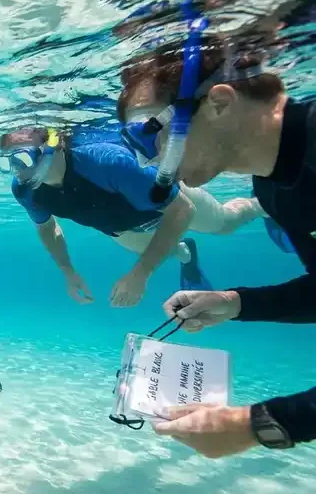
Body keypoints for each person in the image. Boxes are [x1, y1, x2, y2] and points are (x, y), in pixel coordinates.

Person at [116, 33, 315, 457]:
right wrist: (236, 303)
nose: (148, 161)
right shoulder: (275, 186)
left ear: (220, 103)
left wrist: (258, 425)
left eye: (148, 135)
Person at [0, 126, 264, 307]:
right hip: (124, 232)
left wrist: (141, 274)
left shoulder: (107, 162)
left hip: (173, 205)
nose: (17, 170)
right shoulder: (24, 191)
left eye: (23, 158)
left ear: (52, 146)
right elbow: (47, 228)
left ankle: (260, 205)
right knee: (172, 251)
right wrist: (68, 271)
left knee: (226, 224)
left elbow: (182, 210)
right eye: (8, 162)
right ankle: (186, 254)